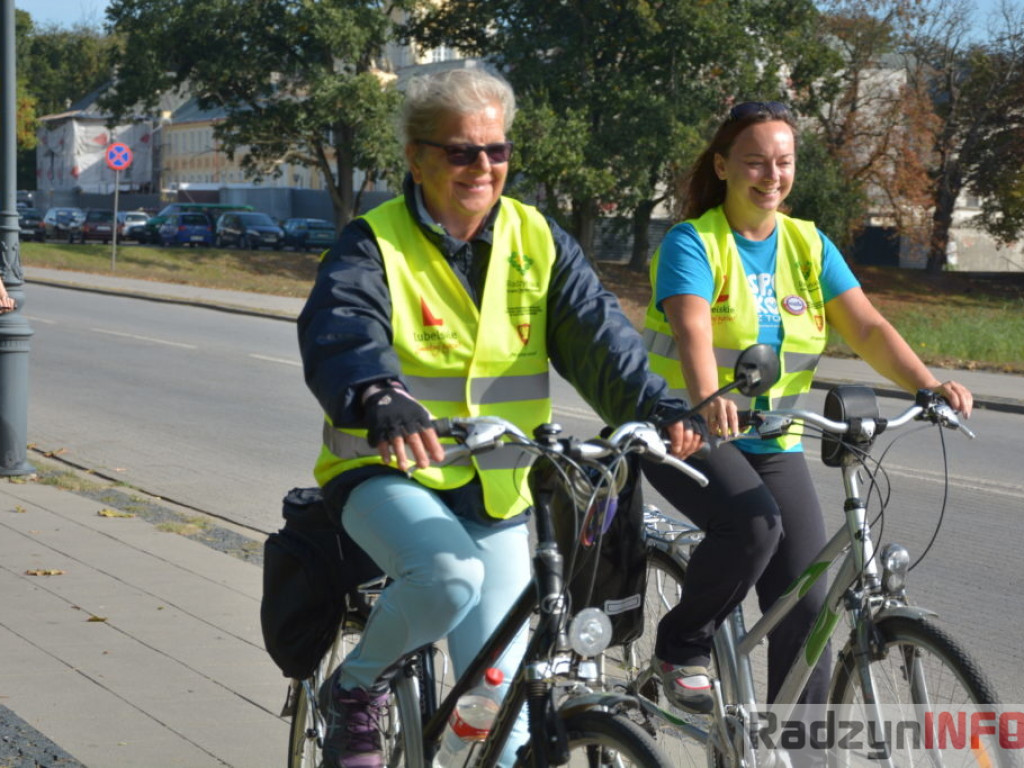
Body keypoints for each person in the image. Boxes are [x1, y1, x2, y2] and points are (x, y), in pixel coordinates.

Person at [297, 67, 705, 768]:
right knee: (447, 578)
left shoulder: (535, 237)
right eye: (461, 151)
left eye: (497, 151)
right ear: (417, 158)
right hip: (389, 471)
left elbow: (600, 339)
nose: (482, 167)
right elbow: (342, 325)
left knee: (503, 721)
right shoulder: (374, 240)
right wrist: (378, 395)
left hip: (500, 486)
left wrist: (657, 406)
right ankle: (356, 691)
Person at [641, 100, 974, 719]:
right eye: (755, 162)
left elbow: (868, 327)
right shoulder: (695, 241)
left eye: (784, 162)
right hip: (685, 430)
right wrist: (710, 402)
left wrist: (928, 386)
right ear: (722, 166)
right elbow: (691, 331)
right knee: (754, 527)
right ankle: (680, 647)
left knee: (807, 607)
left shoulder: (806, 243)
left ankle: (803, 754)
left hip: (774, 440)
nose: (771, 176)